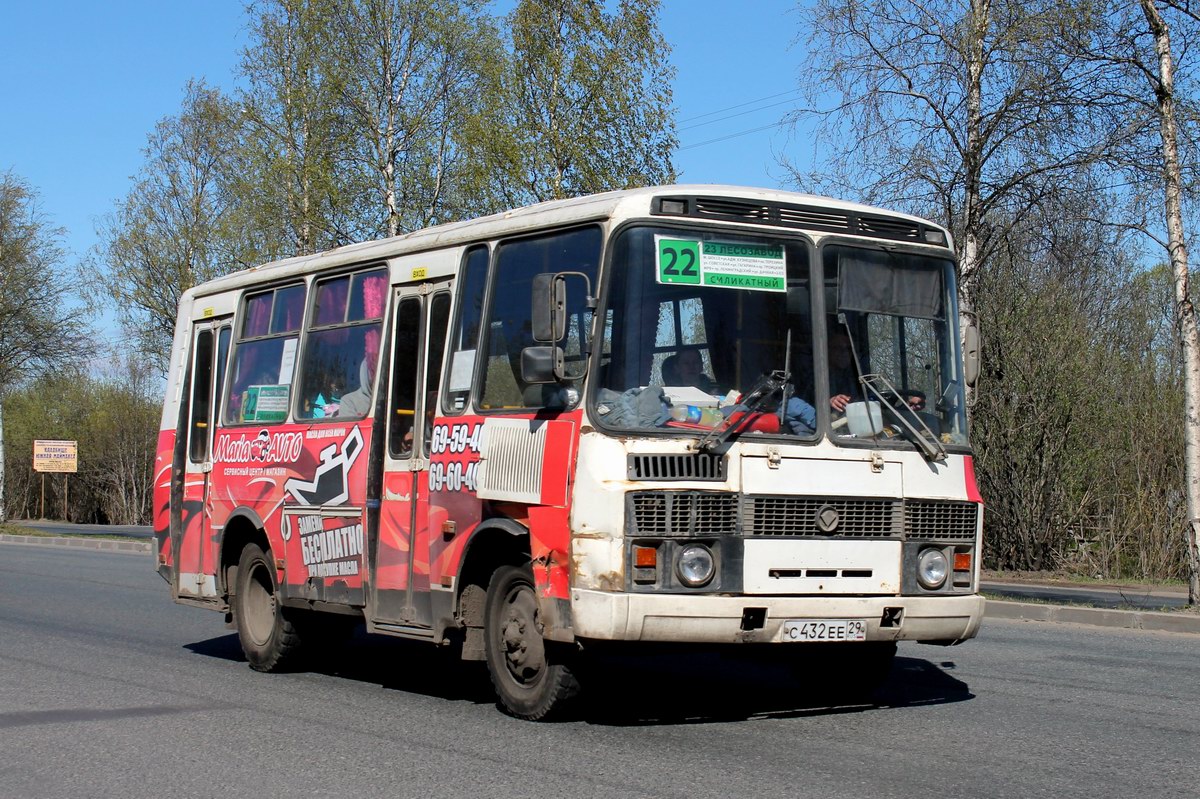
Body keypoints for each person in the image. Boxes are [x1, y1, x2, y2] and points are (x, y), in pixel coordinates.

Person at [827, 328, 859, 412]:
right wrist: (829, 402)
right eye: (838, 348)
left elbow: (870, 397)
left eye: (848, 348)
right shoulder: (816, 379)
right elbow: (806, 401)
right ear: (828, 351)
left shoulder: (859, 377)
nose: (845, 353)